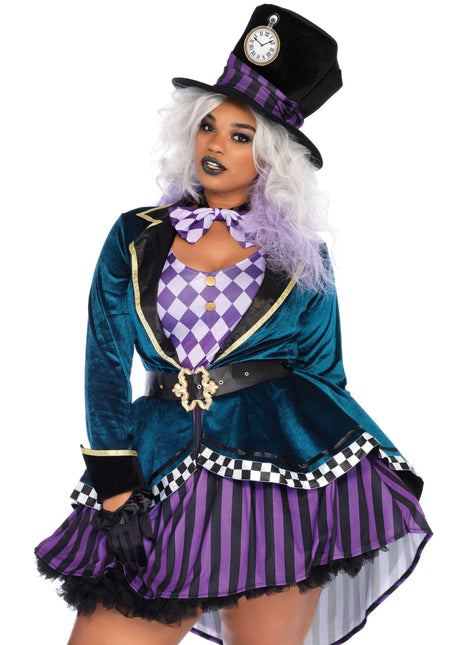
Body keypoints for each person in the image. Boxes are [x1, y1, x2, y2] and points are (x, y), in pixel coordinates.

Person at [35, 5, 432, 645]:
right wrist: (115, 485)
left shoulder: (301, 253)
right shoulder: (136, 235)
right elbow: (104, 362)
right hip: (158, 474)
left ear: (272, 157)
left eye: (240, 135)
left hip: (277, 486)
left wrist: (376, 456)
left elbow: (322, 375)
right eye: (208, 126)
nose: (215, 145)